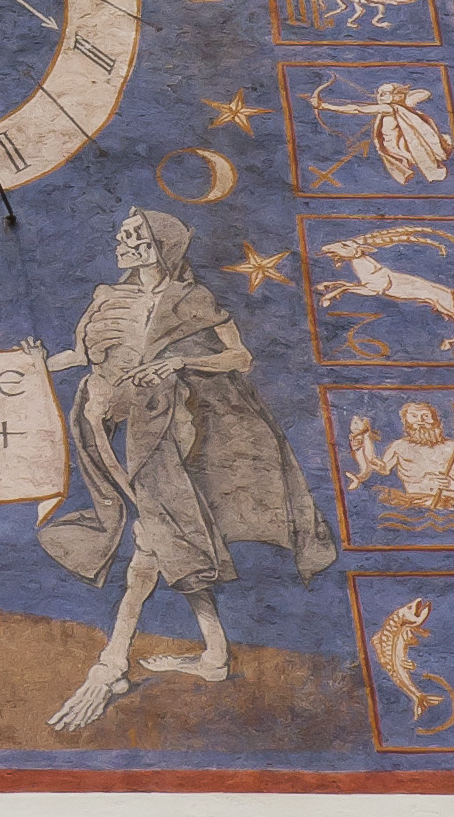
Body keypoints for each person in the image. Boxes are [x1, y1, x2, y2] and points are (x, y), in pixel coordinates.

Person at [39, 207, 330, 731]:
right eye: (122, 233)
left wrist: (179, 362)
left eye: (134, 235)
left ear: (160, 246)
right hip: (105, 429)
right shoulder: (108, 297)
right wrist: (34, 362)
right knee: (167, 536)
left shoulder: (194, 300)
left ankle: (111, 665)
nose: (123, 241)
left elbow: (239, 358)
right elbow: (80, 356)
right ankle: (214, 654)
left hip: (167, 432)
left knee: (155, 535)